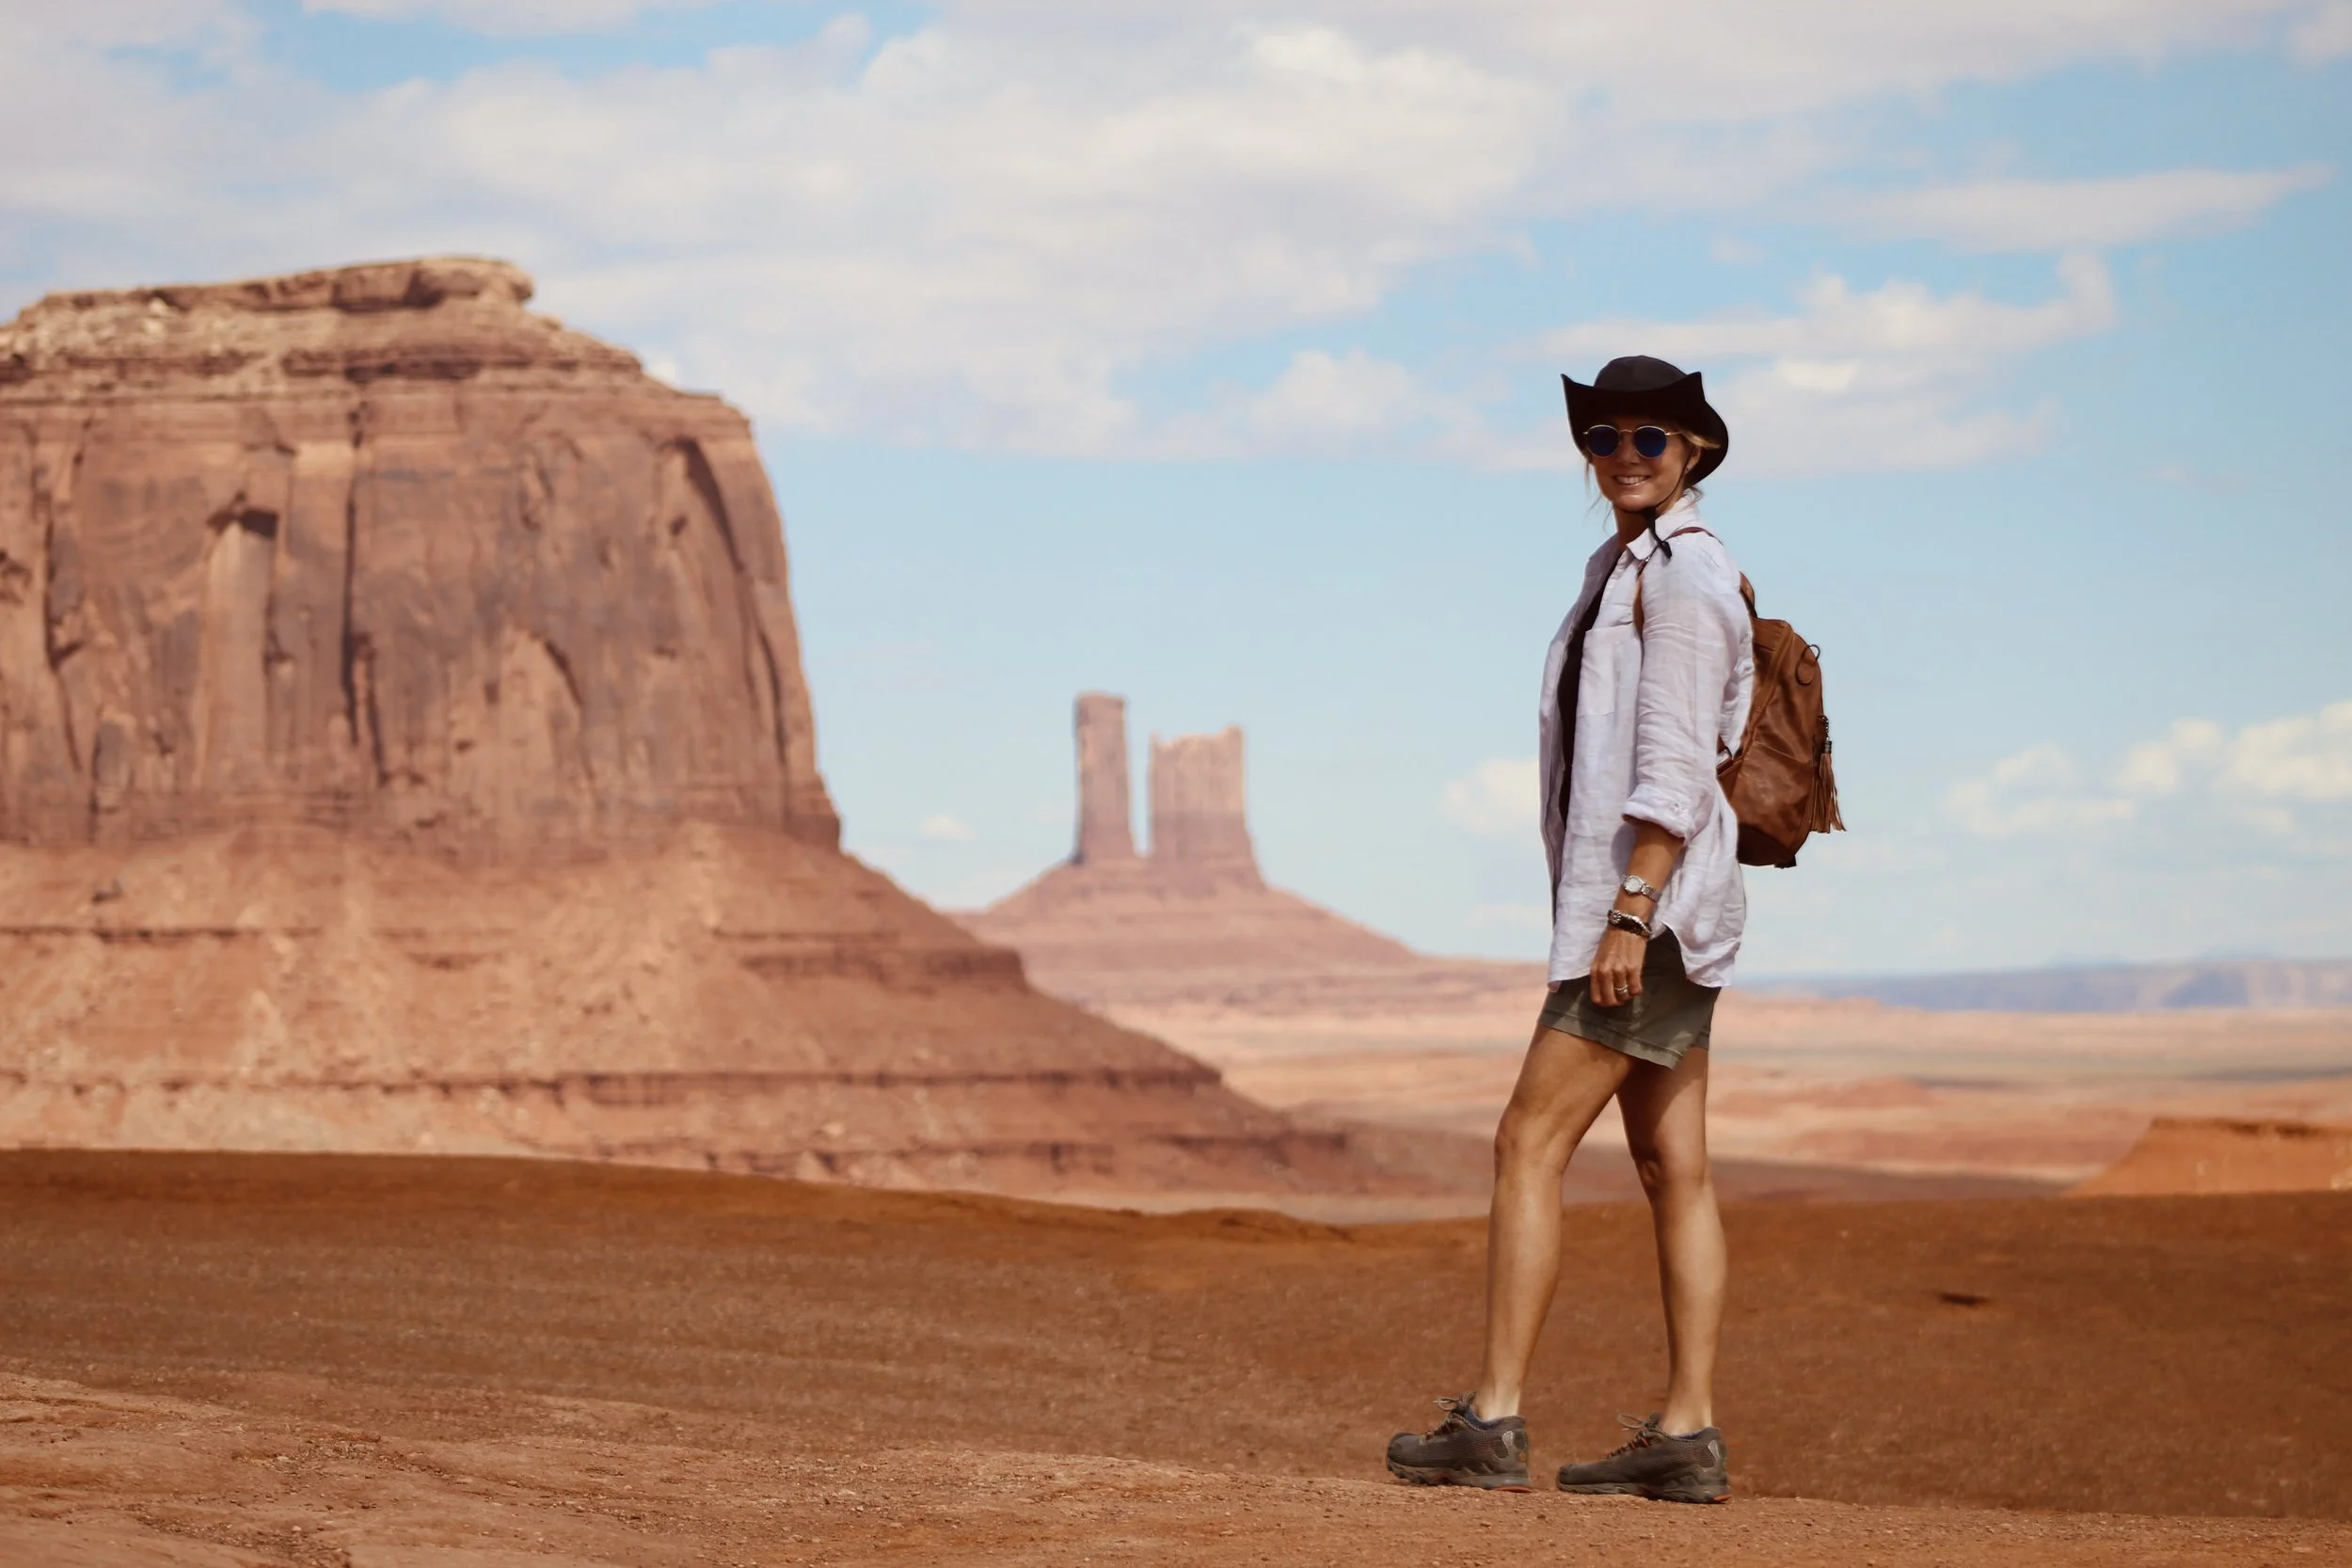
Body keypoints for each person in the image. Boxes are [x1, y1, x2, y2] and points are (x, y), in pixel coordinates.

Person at [1385, 356, 1755, 1503]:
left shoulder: (1681, 581)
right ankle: (1686, 1431)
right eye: (1603, 437)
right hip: (1672, 922)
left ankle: (1491, 1418)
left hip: (1643, 920)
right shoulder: (1626, 570)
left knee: (1524, 1142)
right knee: (1671, 1163)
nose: (1623, 458)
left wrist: (1628, 913)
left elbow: (1677, 764)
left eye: (1649, 439)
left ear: (1692, 451)